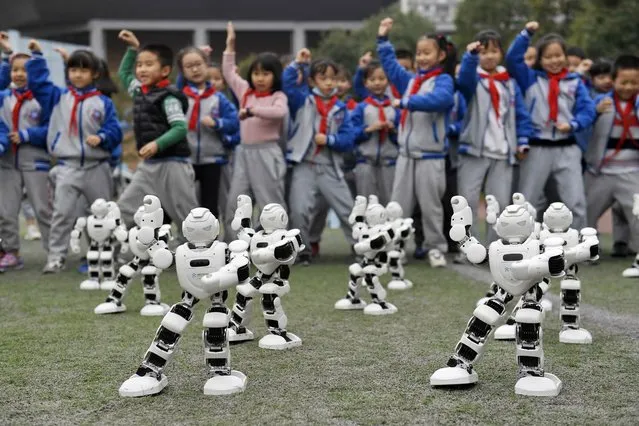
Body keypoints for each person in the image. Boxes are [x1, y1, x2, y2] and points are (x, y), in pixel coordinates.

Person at [26, 41, 122, 273]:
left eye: (83, 70)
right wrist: (37, 56)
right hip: (67, 166)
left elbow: (115, 131)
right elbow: (38, 84)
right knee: (61, 214)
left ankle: (102, 255)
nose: (78, 75)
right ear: (68, 72)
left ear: (95, 74)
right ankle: (56, 257)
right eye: (73, 70)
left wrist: (102, 137)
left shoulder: (103, 102)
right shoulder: (58, 98)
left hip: (96, 166)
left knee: (102, 214)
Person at [376, 17, 455, 267]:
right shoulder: (410, 80)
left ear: (441, 55)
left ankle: (435, 248)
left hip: (431, 156)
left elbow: (440, 100)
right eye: (419, 52)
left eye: (427, 52)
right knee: (398, 205)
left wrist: (407, 102)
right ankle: (395, 247)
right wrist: (383, 40)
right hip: (406, 155)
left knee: (431, 207)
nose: (421, 57)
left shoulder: (443, 80)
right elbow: (390, 66)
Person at [506, 21, 596, 230]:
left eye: (558, 55)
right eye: (548, 56)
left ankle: (581, 243)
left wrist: (574, 124)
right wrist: (526, 34)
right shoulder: (530, 79)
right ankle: (521, 241)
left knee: (575, 200)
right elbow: (512, 59)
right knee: (526, 200)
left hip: (567, 147)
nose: (554, 60)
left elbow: (588, 110)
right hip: (537, 146)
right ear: (540, 59)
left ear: (565, 56)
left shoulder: (574, 82)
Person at [114, 30, 198, 240]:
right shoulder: (140, 91)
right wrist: (133, 49)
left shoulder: (169, 98)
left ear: (165, 70)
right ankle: (111, 253)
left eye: (149, 64)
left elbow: (180, 128)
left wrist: (156, 144)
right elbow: (124, 74)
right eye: (140, 64)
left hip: (173, 165)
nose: (141, 69)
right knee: (123, 210)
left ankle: (204, 256)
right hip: (148, 168)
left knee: (188, 217)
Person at [456, 30, 533, 244]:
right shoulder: (473, 79)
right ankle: (468, 246)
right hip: (474, 150)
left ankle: (495, 247)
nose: (489, 56)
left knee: (498, 203)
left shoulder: (509, 82)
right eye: (484, 52)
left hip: (503, 153)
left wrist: (522, 141)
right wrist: (470, 57)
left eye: (494, 51)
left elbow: (520, 115)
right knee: (467, 201)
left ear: (501, 53)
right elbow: (463, 80)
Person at [283, 48, 356, 265]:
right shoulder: (302, 100)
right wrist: (298, 64)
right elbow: (287, 84)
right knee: (299, 209)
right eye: (323, 78)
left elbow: (348, 138)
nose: (329, 83)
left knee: (348, 209)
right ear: (312, 81)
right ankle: (301, 250)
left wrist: (331, 140)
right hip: (304, 164)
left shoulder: (341, 108)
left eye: (333, 78)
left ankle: (361, 246)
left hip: (330, 165)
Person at [222, 22, 289, 242]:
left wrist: (252, 111)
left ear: (275, 76)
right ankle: (235, 247)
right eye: (256, 73)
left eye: (266, 73)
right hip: (244, 153)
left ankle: (279, 245)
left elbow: (279, 113)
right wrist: (230, 46)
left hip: (267, 153)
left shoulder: (278, 96)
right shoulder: (245, 92)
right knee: (236, 201)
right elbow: (228, 73)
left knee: (271, 202)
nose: (260, 78)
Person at [0, 41, 52, 271]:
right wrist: (6, 54)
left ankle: (55, 252)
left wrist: (27, 134)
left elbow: (53, 128)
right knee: (6, 210)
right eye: (15, 69)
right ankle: (11, 252)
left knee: (43, 208)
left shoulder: (42, 99)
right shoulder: (3, 97)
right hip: (7, 161)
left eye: (26, 69)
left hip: (35, 159)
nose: (20, 74)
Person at [585, 55, 639, 266]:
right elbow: (583, 118)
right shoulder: (601, 102)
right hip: (599, 172)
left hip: (632, 171)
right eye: (623, 82)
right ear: (613, 81)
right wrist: (595, 112)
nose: (628, 87)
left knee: (637, 215)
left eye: (634, 82)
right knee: (586, 214)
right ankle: (586, 251)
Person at [177, 46, 239, 217]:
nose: (195, 69)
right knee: (185, 202)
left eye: (198, 64)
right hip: (186, 159)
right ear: (182, 71)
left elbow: (234, 122)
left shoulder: (218, 98)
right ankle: (187, 239)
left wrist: (217, 123)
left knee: (210, 204)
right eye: (189, 66)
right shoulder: (180, 97)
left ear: (206, 64)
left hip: (213, 159)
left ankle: (209, 242)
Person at [350, 60, 399, 205]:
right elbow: (351, 134)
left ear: (388, 81)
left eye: (381, 79)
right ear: (365, 83)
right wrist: (368, 129)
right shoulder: (361, 107)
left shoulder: (395, 108)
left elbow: (402, 136)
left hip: (389, 162)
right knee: (365, 204)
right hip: (365, 162)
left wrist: (392, 130)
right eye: (372, 79)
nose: (377, 83)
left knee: (390, 203)